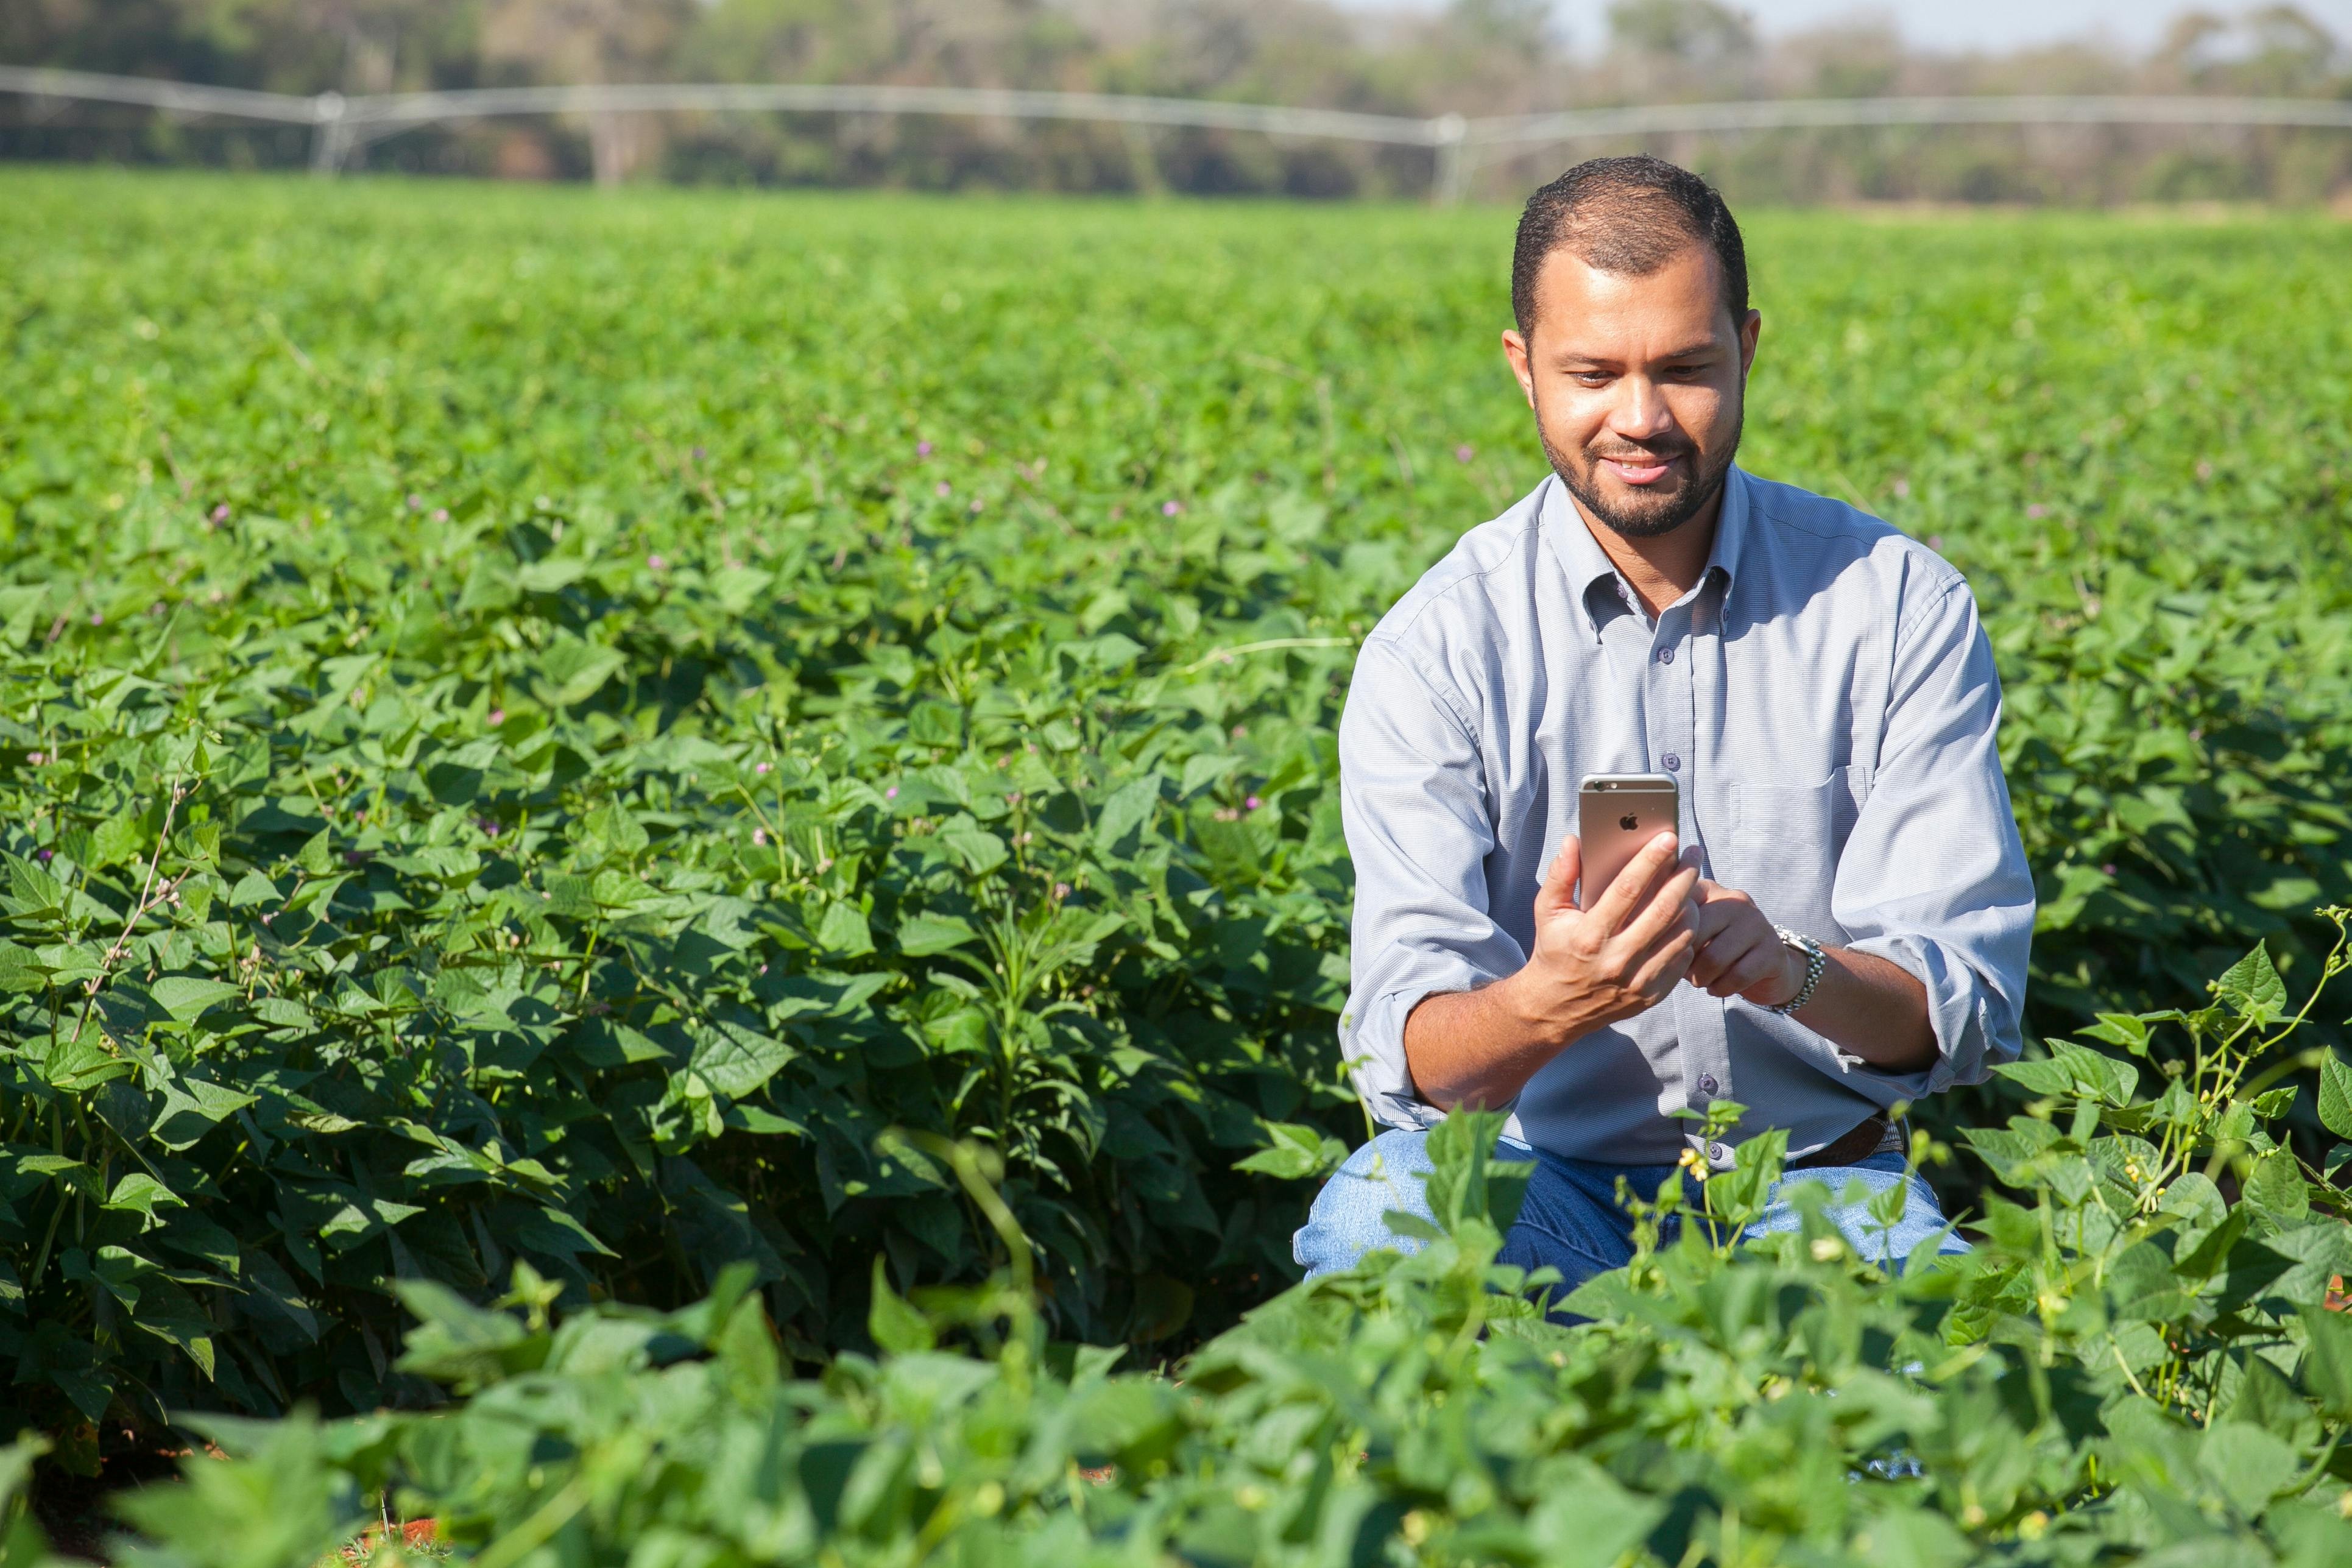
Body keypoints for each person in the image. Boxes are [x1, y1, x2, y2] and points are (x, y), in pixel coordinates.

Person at [1295, 156, 2034, 1302]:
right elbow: (1411, 1060)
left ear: (1746, 348)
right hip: (1550, 1189)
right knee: (1380, 1222)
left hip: (1814, 1194)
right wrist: (1553, 999)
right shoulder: (1436, 649)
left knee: (1939, 1406)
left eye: (1684, 369)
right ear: (1522, 368)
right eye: (1592, 372)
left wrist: (1790, 972)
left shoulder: (1895, 606)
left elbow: (1955, 1010)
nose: (1638, 419)